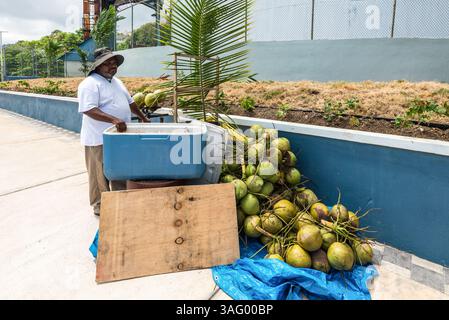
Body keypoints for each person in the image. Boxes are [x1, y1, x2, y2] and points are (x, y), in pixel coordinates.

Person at [78, 47, 149, 216]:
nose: (112, 66)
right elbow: (88, 109)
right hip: (98, 138)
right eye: (107, 63)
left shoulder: (117, 82)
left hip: (120, 137)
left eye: (114, 63)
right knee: (99, 173)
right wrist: (114, 120)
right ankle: (100, 204)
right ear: (97, 66)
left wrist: (142, 116)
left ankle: (119, 199)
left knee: (119, 169)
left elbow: (130, 102)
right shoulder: (90, 84)